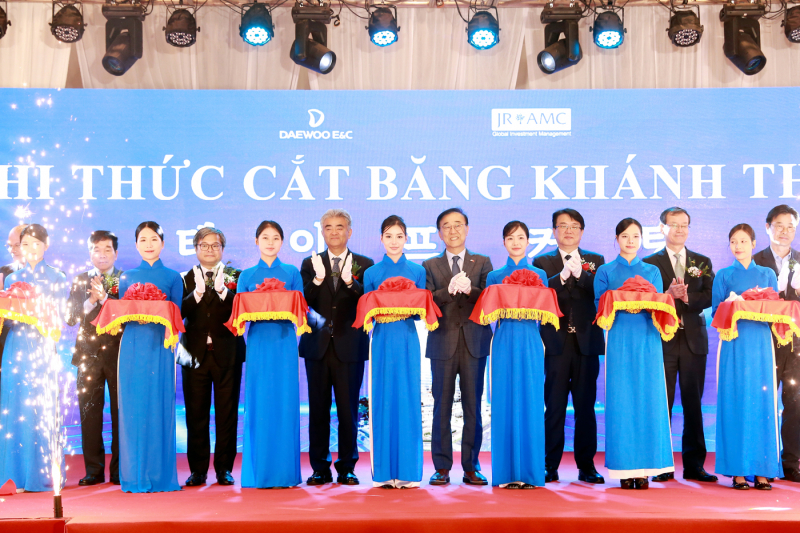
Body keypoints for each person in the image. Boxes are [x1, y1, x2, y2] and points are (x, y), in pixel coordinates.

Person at [593, 218, 674, 490]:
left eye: (635, 236)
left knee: (649, 398)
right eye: (625, 236)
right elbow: (600, 306)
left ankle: (647, 469)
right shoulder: (605, 271)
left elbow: (659, 303)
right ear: (616, 239)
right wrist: (621, 302)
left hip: (648, 338)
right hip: (619, 340)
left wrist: (640, 302)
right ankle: (624, 469)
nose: (630, 241)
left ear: (641, 239)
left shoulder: (652, 271)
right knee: (622, 400)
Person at [299, 209, 374, 486]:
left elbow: (367, 300)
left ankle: (347, 467)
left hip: (350, 345)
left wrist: (350, 282)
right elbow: (303, 301)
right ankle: (319, 467)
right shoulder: (310, 263)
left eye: (339, 227)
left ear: (349, 231)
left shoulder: (364, 264)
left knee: (348, 411)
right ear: (322, 232)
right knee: (318, 410)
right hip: (317, 345)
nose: (334, 232)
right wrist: (318, 280)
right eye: (328, 227)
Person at [643, 207, 717, 483]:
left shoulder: (702, 261)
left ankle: (695, 466)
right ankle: (661, 463)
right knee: (662, 402)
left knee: (693, 405)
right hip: (663, 340)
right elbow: (646, 298)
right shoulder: (650, 264)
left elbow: (711, 294)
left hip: (693, 341)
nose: (680, 229)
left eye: (684, 224)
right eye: (674, 224)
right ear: (662, 228)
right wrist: (668, 295)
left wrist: (686, 298)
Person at [533, 209, 605, 484]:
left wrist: (582, 276)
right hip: (556, 344)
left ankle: (586, 466)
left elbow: (600, 294)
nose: (568, 231)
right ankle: (549, 465)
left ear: (582, 232)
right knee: (554, 406)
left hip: (586, 343)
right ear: (554, 231)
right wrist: (562, 277)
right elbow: (541, 293)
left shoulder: (596, 261)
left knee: (586, 407)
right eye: (562, 226)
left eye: (574, 226)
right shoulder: (542, 261)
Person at [422, 208, 493, 486]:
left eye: (458, 225)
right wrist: (448, 290)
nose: (453, 231)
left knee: (473, 406)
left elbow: (488, 299)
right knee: (441, 406)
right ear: (439, 232)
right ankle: (441, 466)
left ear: (467, 228)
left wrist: (469, 290)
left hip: (475, 342)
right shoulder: (430, 265)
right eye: (446, 226)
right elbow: (427, 301)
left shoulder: (482, 262)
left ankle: (471, 466)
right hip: (442, 341)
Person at [713, 223, 781, 490]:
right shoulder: (723, 275)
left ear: (753, 243)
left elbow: (775, 310)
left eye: (743, 241)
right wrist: (732, 304)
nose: (738, 246)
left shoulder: (767, 273)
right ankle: (738, 470)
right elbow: (716, 314)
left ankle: (762, 470)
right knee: (735, 400)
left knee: (762, 402)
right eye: (733, 241)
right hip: (733, 342)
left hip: (761, 343)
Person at [0, 224, 68, 492]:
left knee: (41, 408)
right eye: (25, 244)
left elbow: (60, 317)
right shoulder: (10, 279)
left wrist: (36, 311)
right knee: (15, 407)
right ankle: (14, 473)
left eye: (36, 243)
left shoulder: (57, 277)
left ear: (46, 245)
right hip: (15, 348)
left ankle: (40, 473)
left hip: (42, 348)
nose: (30, 249)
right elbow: (7, 319)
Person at [117, 222, 183, 493]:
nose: (148, 244)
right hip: (132, 346)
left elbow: (177, 316)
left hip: (160, 347)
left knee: (158, 405)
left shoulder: (173, 277)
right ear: (136, 244)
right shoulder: (126, 277)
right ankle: (133, 475)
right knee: (133, 409)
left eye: (154, 239)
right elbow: (122, 315)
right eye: (143, 239)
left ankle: (159, 475)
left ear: (163, 243)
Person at [238, 221, 303, 489]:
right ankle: (260, 472)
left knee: (285, 401)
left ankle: (285, 473)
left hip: (285, 341)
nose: (270, 243)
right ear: (256, 241)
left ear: (282, 242)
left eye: (276, 238)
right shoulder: (246, 276)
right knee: (260, 401)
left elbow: (301, 309)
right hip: (258, 342)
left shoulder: (292, 273)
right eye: (265, 237)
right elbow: (239, 313)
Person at [363, 215, 427, 488]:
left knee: (408, 397)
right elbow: (366, 312)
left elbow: (421, 311)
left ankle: (408, 472)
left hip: (408, 338)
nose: (394, 241)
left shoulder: (417, 271)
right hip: (381, 339)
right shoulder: (371, 273)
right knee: (382, 398)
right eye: (388, 236)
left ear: (406, 239)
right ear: (381, 239)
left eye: (399, 236)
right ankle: (383, 472)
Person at [180, 227, 244, 488]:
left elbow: (242, 311)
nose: (209, 250)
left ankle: (224, 469)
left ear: (222, 249)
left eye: (215, 245)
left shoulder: (236, 276)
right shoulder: (184, 278)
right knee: (196, 415)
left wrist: (223, 292)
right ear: (196, 248)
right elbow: (177, 313)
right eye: (204, 245)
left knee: (227, 414)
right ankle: (197, 471)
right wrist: (195, 294)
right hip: (193, 355)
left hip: (227, 353)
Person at [487, 221, 548, 489]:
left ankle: (531, 473)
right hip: (503, 339)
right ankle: (506, 474)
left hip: (531, 339)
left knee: (531, 401)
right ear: (504, 242)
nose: (516, 243)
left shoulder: (540, 274)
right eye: (510, 238)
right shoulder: (494, 276)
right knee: (504, 401)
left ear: (528, 241)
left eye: (521, 238)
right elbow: (488, 311)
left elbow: (545, 311)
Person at [65, 230, 123, 486]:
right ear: (90, 253)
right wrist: (91, 299)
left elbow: (127, 318)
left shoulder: (125, 279)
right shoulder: (80, 280)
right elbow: (70, 318)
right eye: (97, 249)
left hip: (118, 355)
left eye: (107, 249)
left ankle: (119, 470)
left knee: (120, 413)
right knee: (89, 414)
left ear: (116, 253)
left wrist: (106, 299)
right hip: (87, 357)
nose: (102, 254)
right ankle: (93, 471)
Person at [752, 204, 800, 483]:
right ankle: (761, 464)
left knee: (795, 403)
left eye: (790, 226)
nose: (785, 231)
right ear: (768, 227)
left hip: (796, 344)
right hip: (763, 342)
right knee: (762, 402)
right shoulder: (754, 261)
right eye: (779, 225)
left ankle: (791, 462)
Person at [0, 224, 26, 388]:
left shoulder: (48, 275)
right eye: (10, 246)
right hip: (5, 345)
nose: (12, 250)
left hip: (35, 345)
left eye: (17, 245)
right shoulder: (3, 272)